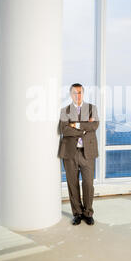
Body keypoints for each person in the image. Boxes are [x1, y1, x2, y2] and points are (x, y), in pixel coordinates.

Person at [58, 83, 99, 225]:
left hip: (88, 152)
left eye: (80, 92)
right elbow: (64, 130)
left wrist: (75, 125)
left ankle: (88, 212)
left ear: (83, 93)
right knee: (72, 184)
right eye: (75, 93)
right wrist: (84, 128)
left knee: (88, 183)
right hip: (70, 153)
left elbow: (94, 126)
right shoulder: (65, 110)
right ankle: (77, 213)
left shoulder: (92, 108)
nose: (78, 95)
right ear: (71, 95)